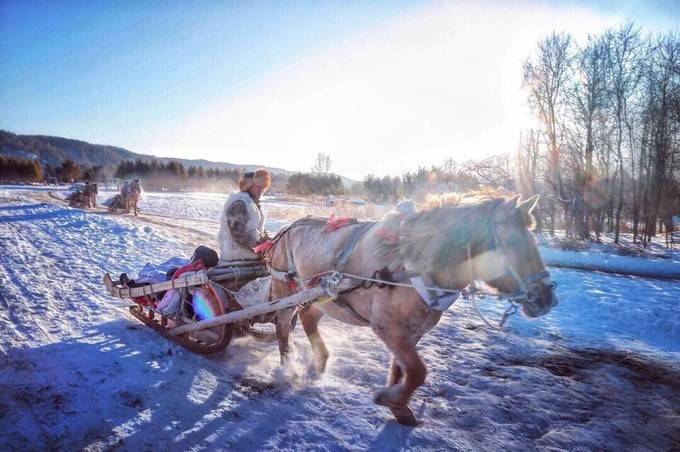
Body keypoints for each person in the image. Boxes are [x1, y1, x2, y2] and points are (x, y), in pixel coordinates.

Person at [217, 169, 271, 262]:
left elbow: (258, 229)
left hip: (250, 253)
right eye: (258, 187)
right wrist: (258, 247)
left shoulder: (253, 203)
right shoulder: (239, 202)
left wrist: (270, 242)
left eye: (262, 188)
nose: (261, 191)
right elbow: (237, 233)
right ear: (248, 186)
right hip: (236, 255)